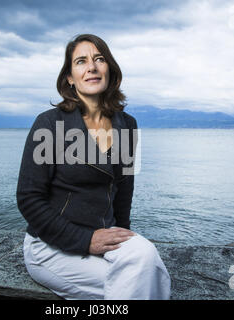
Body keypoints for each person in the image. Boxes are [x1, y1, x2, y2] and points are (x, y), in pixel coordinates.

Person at [16, 34, 171, 300]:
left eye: (99, 59)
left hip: (104, 238)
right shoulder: (50, 124)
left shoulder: (128, 125)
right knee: (146, 282)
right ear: (69, 77)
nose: (92, 67)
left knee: (146, 258)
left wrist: (121, 241)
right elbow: (29, 198)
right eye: (81, 61)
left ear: (110, 68)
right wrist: (86, 240)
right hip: (52, 245)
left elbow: (124, 193)